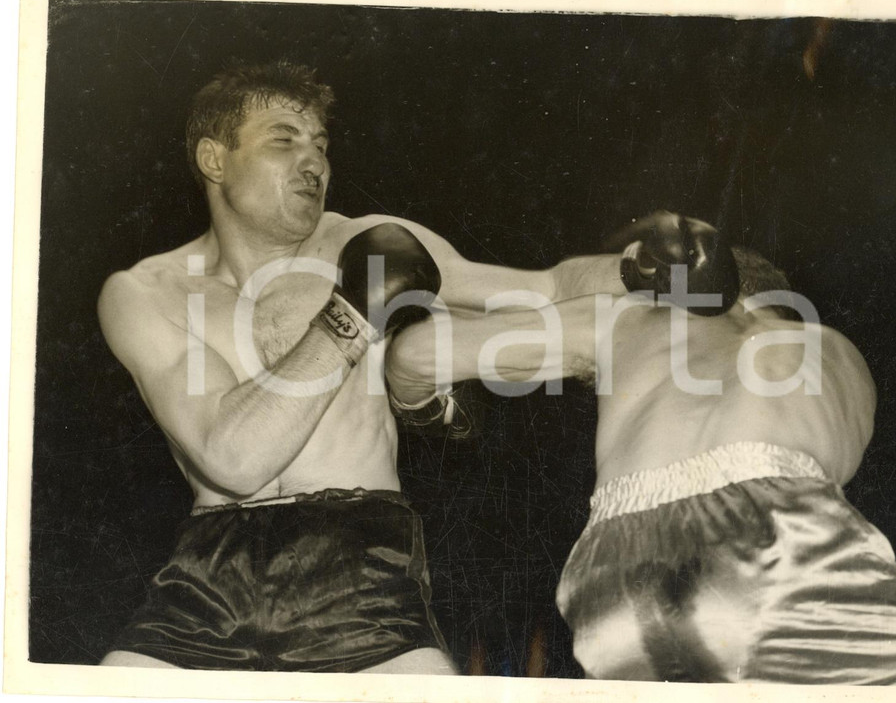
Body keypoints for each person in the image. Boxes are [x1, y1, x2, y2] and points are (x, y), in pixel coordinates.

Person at [96, 61, 736, 674]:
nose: (313, 162)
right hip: (208, 577)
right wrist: (353, 314)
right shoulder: (144, 293)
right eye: (284, 140)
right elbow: (232, 459)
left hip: (356, 557)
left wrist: (642, 268)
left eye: (321, 145)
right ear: (214, 160)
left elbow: (541, 288)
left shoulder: (360, 240)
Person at [385, 237, 896, 684]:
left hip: (612, 573)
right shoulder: (840, 355)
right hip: (776, 538)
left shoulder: (628, 315)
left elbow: (414, 353)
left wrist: (427, 410)